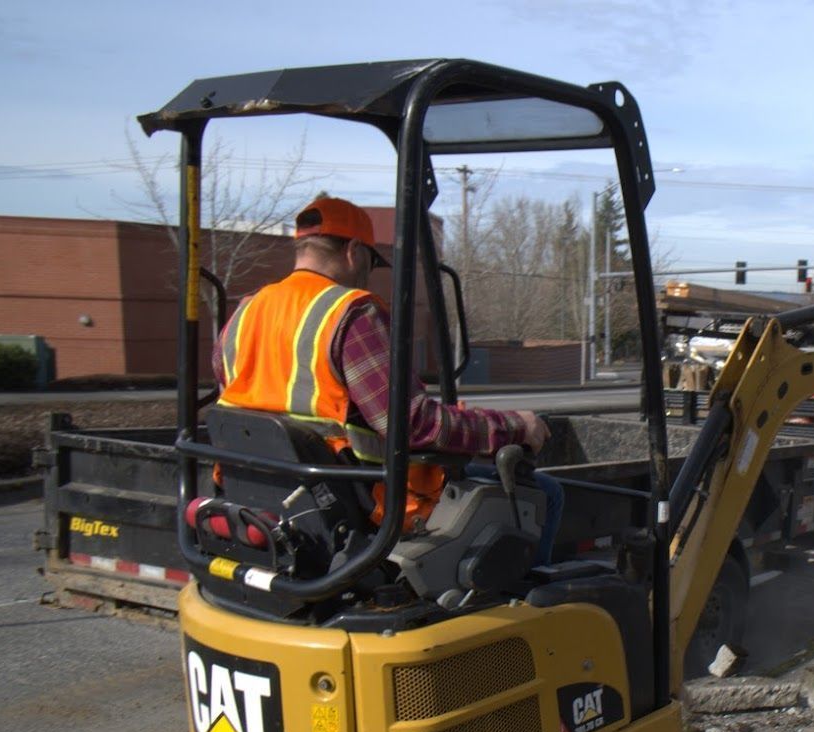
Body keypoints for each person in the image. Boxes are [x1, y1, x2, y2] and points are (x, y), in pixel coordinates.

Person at [212, 194, 563, 562]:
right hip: (360, 505)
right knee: (545, 494)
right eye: (370, 260)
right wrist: (515, 426)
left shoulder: (245, 312)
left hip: (271, 499)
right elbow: (410, 425)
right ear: (353, 252)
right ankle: (518, 608)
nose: (368, 272)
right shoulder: (350, 314)